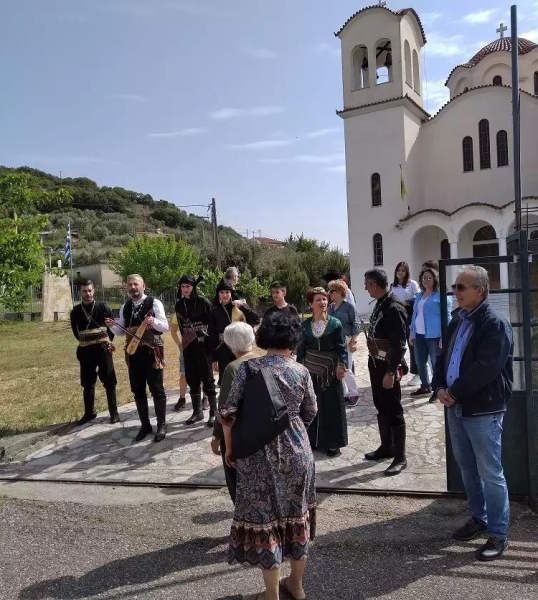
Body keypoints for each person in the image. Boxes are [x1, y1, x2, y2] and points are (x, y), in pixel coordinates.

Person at [219, 312, 317, 600]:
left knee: (267, 524)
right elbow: (310, 412)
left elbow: (228, 414)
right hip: (297, 453)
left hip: (257, 455)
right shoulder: (300, 371)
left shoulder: (248, 370)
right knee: (298, 520)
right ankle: (296, 586)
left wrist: (231, 449)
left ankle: (271, 595)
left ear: (263, 338)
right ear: (292, 338)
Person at [432, 266, 513, 561]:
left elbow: (486, 368)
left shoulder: (494, 323)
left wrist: (453, 392)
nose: (455, 291)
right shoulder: (458, 320)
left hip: (482, 409)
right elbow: (444, 357)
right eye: (455, 286)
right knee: (467, 466)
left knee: (491, 473)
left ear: (479, 290)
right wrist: (439, 384)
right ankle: (479, 518)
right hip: (456, 406)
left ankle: (498, 533)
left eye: (461, 287)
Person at [105, 274, 169, 443]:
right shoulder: (125, 307)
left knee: (157, 389)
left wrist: (153, 320)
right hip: (133, 354)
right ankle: (145, 425)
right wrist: (112, 326)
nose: (133, 287)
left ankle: (162, 425)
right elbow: (120, 332)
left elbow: (165, 326)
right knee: (138, 390)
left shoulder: (154, 303)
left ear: (143, 286)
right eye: (130, 285)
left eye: (136, 284)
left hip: (151, 353)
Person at [363, 269, 408, 476]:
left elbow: (399, 345)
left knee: (394, 408)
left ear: (374, 285)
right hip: (376, 364)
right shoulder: (381, 302)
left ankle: (400, 457)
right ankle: (386, 446)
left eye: (367, 284)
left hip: (388, 366)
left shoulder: (393, 307)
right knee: (381, 404)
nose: (365, 288)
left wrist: (391, 372)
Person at [297, 287, 347, 457]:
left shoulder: (335, 324)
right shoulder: (304, 325)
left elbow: (342, 349)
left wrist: (342, 365)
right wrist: (298, 370)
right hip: (310, 371)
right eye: (318, 300)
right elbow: (301, 349)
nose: (323, 302)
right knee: (311, 405)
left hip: (330, 372)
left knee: (331, 406)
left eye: (325, 299)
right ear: (311, 304)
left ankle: (332, 443)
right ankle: (312, 441)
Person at [210, 322, 257, 503]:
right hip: (262, 431)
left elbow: (225, 409)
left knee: (237, 482)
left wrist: (217, 437)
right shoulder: (264, 360)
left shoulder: (233, 368)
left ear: (229, 344)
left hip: (239, 435)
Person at [70, 279, 119, 426]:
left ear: (94, 290)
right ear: (79, 292)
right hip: (86, 351)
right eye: (84, 291)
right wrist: (88, 341)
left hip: (103, 350)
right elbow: (76, 332)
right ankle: (89, 413)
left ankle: (114, 413)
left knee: (109, 381)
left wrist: (105, 341)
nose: (88, 293)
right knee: (87, 383)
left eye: (90, 290)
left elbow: (112, 328)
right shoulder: (76, 311)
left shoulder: (103, 307)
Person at [174, 275, 218, 426]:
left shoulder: (203, 302)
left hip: (203, 345)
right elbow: (180, 326)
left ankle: (213, 412)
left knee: (207, 378)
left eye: (188, 286)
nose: (185, 289)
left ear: (193, 287)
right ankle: (197, 412)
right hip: (188, 346)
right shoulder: (179, 305)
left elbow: (212, 324)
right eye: (183, 287)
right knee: (191, 378)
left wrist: (210, 345)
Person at [409, 268, 452, 401]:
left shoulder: (441, 296)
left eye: (429, 278)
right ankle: (425, 386)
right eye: (424, 277)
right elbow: (415, 315)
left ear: (435, 279)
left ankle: (437, 388)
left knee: (435, 363)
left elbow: (447, 316)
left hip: (434, 335)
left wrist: (444, 335)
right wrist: (412, 332)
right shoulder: (419, 295)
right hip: (419, 335)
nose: (426, 280)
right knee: (420, 362)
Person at [209, 280, 260, 384]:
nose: (224, 295)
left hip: (242, 346)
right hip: (223, 348)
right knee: (226, 378)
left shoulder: (239, 307)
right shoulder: (214, 311)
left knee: (244, 377)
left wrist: (243, 307)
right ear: (218, 294)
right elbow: (212, 335)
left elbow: (255, 320)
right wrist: (214, 358)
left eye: (227, 292)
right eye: (222, 292)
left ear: (231, 293)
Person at [327, 279, 361, 407]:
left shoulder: (349, 306)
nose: (329, 294)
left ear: (340, 292)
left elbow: (355, 325)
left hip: (346, 340)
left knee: (345, 367)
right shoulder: (330, 307)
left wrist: (353, 342)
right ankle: (345, 394)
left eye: (332, 291)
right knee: (338, 367)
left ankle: (354, 393)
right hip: (334, 341)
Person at [390, 262, 420, 387]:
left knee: (412, 344)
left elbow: (419, 297)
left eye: (403, 270)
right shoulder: (393, 286)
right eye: (398, 270)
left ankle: (417, 373)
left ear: (406, 272)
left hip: (409, 316)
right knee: (397, 344)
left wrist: (407, 302)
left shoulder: (412, 284)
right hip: (397, 317)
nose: (400, 272)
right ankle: (400, 368)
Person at [169, 313, 188, 411]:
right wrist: (180, 345)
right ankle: (182, 398)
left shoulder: (200, 307)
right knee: (184, 374)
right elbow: (173, 331)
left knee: (202, 373)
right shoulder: (178, 314)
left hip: (200, 347)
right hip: (185, 348)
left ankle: (205, 397)